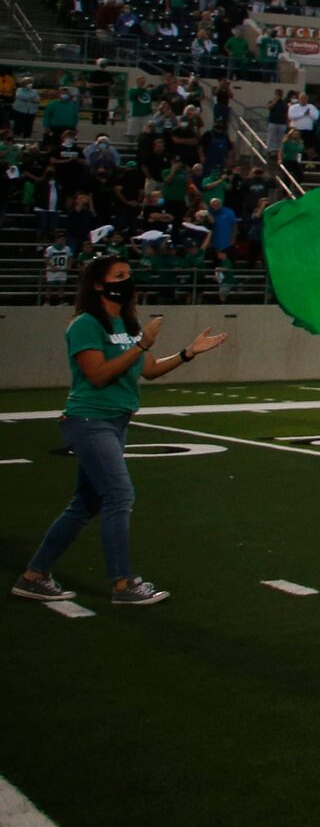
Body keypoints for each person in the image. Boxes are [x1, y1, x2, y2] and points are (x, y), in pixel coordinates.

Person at [14, 254, 227, 607]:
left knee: (85, 504)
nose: (127, 280)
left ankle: (33, 576)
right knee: (119, 496)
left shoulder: (128, 323)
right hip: (89, 420)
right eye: (119, 275)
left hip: (115, 421)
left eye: (128, 274)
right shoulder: (85, 324)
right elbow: (98, 374)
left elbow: (151, 370)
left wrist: (189, 352)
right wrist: (141, 345)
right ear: (99, 284)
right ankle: (123, 584)